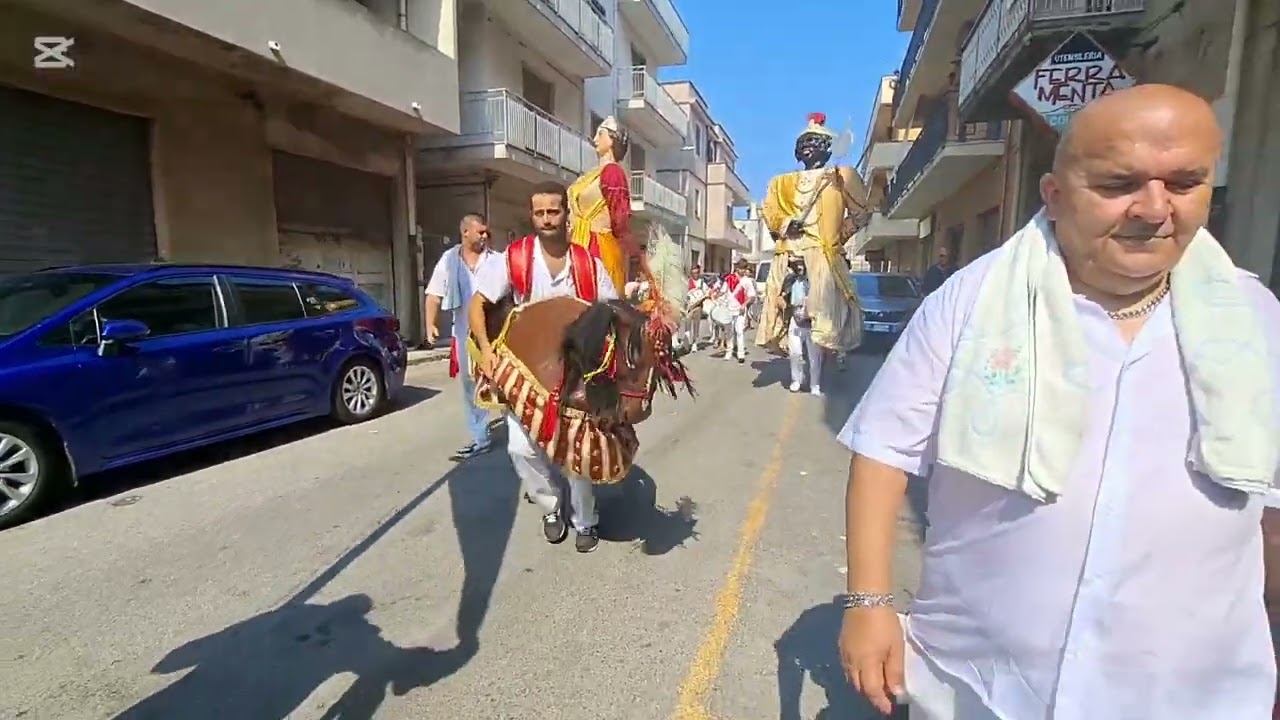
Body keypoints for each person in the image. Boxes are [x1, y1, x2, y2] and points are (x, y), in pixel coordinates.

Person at [837, 84, 1280, 720]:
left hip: (1192, 688)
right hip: (982, 683)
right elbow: (883, 450)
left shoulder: (1254, 317)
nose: (1154, 209)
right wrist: (868, 604)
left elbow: (1270, 505)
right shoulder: (973, 300)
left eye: (1183, 183)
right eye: (1120, 183)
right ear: (1055, 194)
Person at [468, 181, 619, 553]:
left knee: (575, 452)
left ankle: (586, 521)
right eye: (540, 212)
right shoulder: (515, 258)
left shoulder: (588, 263)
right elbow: (478, 304)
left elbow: (613, 312)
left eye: (554, 211)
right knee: (520, 448)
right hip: (526, 374)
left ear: (567, 213)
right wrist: (487, 352)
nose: (547, 219)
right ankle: (551, 507)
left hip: (575, 374)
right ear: (532, 215)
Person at [757, 112, 867, 357]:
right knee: (782, 306)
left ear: (826, 148)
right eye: (804, 141)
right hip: (789, 254)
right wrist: (786, 225)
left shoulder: (841, 176)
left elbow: (861, 214)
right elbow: (770, 211)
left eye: (814, 141)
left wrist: (837, 237)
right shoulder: (779, 182)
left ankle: (829, 360)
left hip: (823, 256)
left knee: (825, 322)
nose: (808, 146)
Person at [424, 213, 494, 461]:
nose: (485, 236)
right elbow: (433, 294)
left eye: (486, 232)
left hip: (496, 334)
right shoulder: (449, 261)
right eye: (480, 231)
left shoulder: (496, 261)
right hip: (464, 333)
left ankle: (521, 435)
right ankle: (480, 437)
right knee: (470, 385)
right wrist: (430, 324)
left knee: (504, 383)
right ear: (465, 232)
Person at [567, 115, 635, 295]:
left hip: (598, 247)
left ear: (612, 139)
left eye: (600, 133)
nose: (595, 139)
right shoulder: (592, 174)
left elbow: (620, 219)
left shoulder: (613, 172)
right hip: (579, 242)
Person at [781, 256, 822, 395]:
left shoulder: (816, 281)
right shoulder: (791, 281)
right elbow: (783, 297)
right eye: (797, 264)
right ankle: (796, 380)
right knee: (795, 353)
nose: (800, 267)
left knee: (814, 358)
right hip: (796, 321)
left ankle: (814, 385)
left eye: (802, 264)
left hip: (813, 324)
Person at [716, 259, 756, 363]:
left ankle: (741, 354)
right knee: (729, 332)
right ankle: (728, 351)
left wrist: (744, 305)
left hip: (740, 310)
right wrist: (714, 295)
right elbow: (723, 291)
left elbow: (751, 296)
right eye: (741, 268)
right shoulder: (729, 278)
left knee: (739, 332)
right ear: (737, 268)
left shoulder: (747, 281)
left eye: (744, 268)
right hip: (729, 309)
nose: (742, 270)